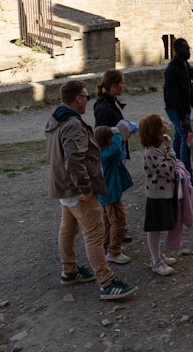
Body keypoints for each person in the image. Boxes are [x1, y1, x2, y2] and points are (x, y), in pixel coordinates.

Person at [45, 80, 137, 300]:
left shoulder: (55, 119)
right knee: (94, 234)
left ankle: (70, 270)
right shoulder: (72, 124)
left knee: (68, 229)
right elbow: (74, 159)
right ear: (77, 99)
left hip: (64, 187)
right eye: (86, 97)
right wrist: (85, 187)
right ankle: (107, 283)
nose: (87, 100)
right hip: (77, 190)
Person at [94, 69, 134, 243]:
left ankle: (114, 229)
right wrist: (119, 140)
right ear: (113, 85)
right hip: (113, 154)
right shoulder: (103, 107)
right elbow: (101, 136)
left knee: (115, 192)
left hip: (117, 150)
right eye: (121, 83)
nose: (123, 86)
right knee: (112, 197)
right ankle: (115, 231)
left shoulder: (111, 102)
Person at [139, 113, 179, 276]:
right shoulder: (152, 151)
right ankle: (155, 261)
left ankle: (157, 254)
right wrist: (170, 149)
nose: (167, 123)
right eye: (163, 122)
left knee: (159, 226)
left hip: (165, 192)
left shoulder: (161, 144)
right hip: (157, 195)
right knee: (154, 228)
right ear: (156, 129)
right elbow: (168, 169)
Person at [163, 38, 193, 190]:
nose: (188, 51)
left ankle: (176, 168)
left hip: (184, 107)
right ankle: (187, 175)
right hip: (177, 109)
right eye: (185, 49)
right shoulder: (172, 70)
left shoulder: (184, 64)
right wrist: (181, 117)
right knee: (187, 138)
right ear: (176, 50)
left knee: (179, 136)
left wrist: (190, 75)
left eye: (188, 48)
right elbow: (172, 96)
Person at [94, 122, 135, 265]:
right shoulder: (106, 154)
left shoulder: (99, 153)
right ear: (107, 140)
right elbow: (116, 149)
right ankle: (114, 252)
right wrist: (117, 133)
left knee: (107, 222)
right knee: (118, 221)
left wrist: (120, 138)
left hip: (104, 195)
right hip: (111, 194)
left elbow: (115, 149)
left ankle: (106, 246)